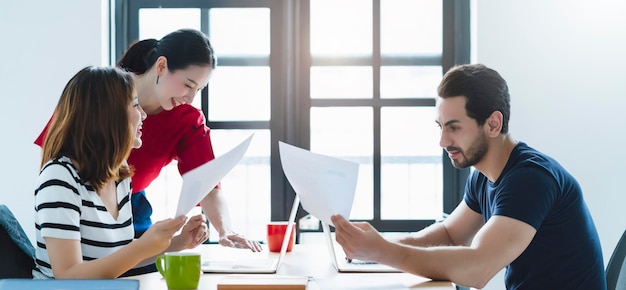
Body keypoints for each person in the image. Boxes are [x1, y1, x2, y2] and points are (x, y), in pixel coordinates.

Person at [331, 64, 606, 289]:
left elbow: (478, 269)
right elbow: (450, 235)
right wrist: (379, 243)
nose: (442, 141)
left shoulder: (530, 179)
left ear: (493, 124)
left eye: (454, 127)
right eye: (440, 126)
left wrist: (381, 252)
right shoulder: (484, 175)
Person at [35, 29, 261, 256]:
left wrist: (224, 230)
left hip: (129, 205)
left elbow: (208, 184)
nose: (190, 98)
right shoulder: (101, 94)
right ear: (161, 66)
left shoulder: (186, 120)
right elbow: (54, 157)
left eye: (199, 90)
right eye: (188, 85)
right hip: (86, 201)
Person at [33, 66, 208, 279]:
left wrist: (177, 243)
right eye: (135, 105)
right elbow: (69, 276)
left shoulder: (120, 176)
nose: (143, 114)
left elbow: (116, 260)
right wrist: (143, 246)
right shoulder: (59, 177)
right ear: (106, 115)